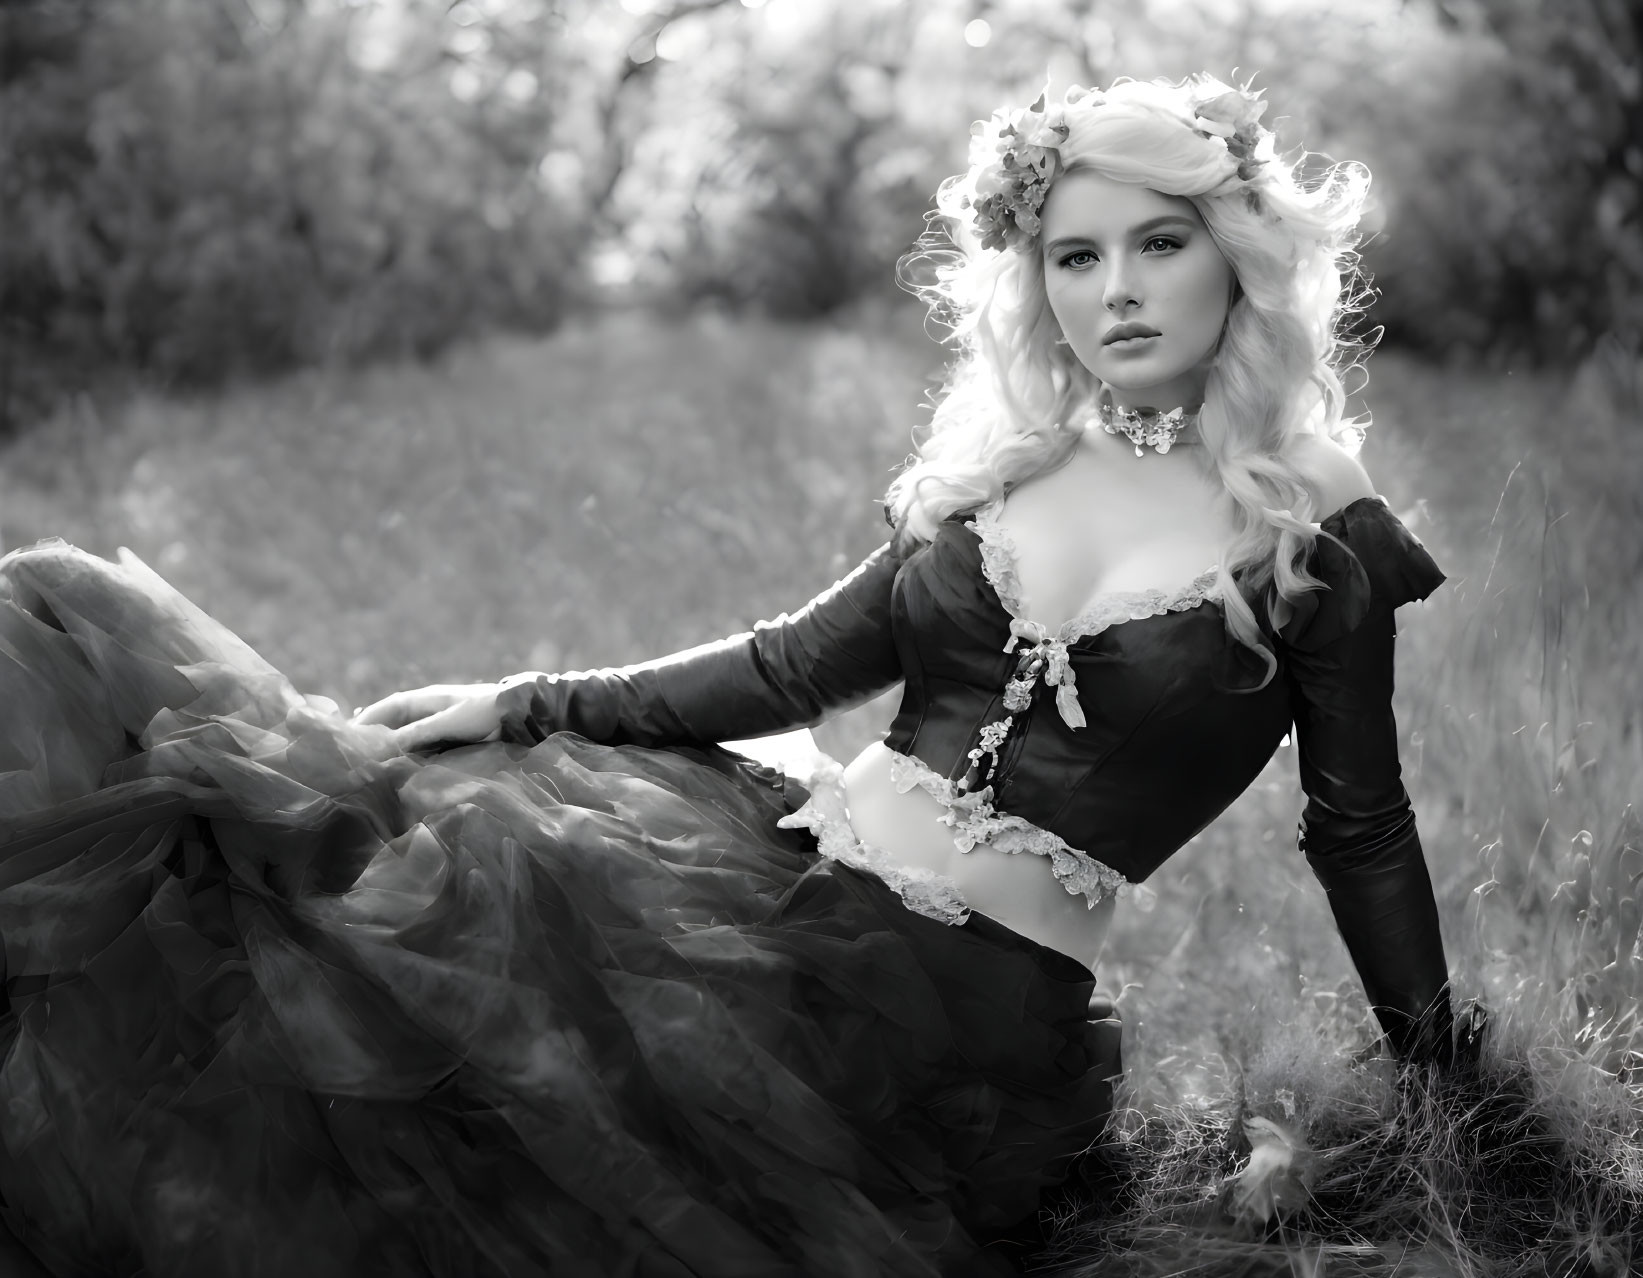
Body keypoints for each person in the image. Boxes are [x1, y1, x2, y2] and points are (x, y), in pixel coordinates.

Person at [0, 73, 1460, 1277]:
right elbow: (786, 666)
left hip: (955, 1003)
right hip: (768, 866)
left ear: (1238, 259)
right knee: (218, 743)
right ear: (1037, 285)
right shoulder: (1001, 472)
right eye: (1075, 256)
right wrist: (525, 700)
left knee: (484, 1059)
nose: (1117, 291)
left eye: (1160, 244)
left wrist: (1439, 1061)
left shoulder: (1311, 522)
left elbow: (1361, 822)